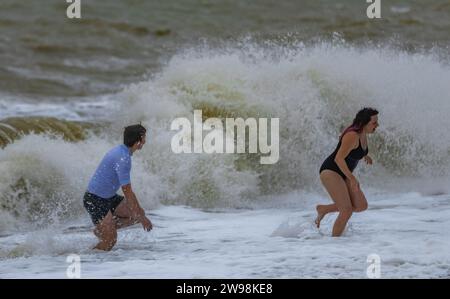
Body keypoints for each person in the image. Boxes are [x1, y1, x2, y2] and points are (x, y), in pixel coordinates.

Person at [83, 124, 153, 251]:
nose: (145, 140)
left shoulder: (123, 151)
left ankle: (103, 229)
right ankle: (89, 258)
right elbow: (128, 191)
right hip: (94, 199)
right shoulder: (123, 158)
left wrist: (140, 215)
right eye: (144, 137)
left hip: (109, 197)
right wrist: (142, 217)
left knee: (137, 214)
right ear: (140, 140)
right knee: (110, 241)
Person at [316, 108, 379, 236]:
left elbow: (353, 150)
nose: (377, 125)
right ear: (364, 123)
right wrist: (352, 178)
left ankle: (324, 209)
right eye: (374, 123)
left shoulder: (363, 133)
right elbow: (338, 158)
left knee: (361, 205)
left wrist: (364, 155)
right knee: (346, 210)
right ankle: (335, 244)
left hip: (343, 173)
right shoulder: (352, 135)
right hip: (331, 171)